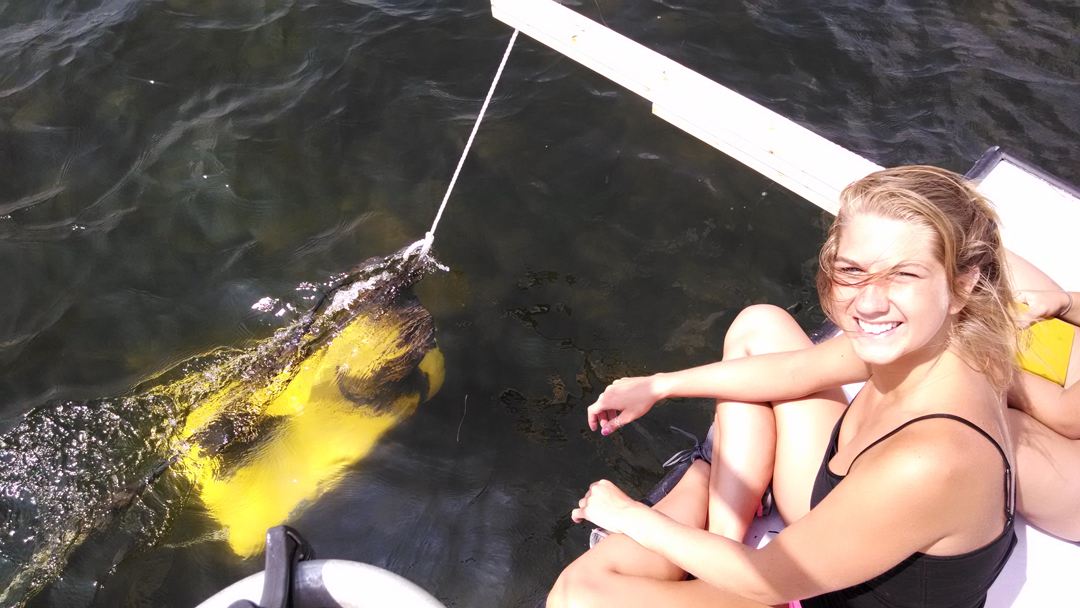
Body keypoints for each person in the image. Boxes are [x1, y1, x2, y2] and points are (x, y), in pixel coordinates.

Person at [547, 166, 1018, 608]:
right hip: (840, 515)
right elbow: (792, 371)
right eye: (852, 271)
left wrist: (628, 514)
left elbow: (769, 576)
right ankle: (722, 531)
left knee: (579, 594)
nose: (870, 303)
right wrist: (659, 385)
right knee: (761, 327)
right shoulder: (927, 343)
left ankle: (710, 525)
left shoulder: (934, 459)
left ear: (962, 285)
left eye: (904, 274)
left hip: (809, 585)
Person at [1003, 251, 1079, 541]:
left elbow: (1067, 416)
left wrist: (976, 355)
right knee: (977, 244)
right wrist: (1064, 302)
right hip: (1063, 358)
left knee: (996, 425)